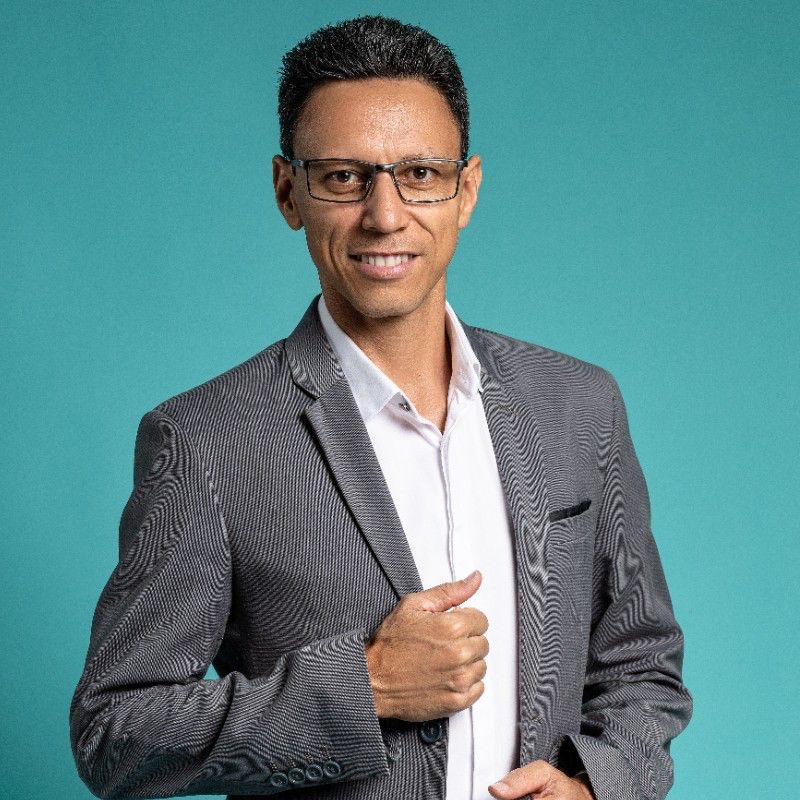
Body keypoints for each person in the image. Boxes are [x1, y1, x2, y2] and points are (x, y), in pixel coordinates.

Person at [70, 15, 691, 800]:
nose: (385, 215)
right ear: (288, 192)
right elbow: (114, 734)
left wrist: (598, 784)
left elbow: (643, 663)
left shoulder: (579, 405)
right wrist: (364, 687)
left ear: (466, 190)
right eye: (343, 177)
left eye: (420, 174)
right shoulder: (206, 442)